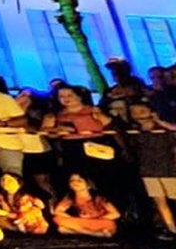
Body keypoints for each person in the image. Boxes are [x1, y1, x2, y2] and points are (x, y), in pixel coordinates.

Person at [127, 101, 176, 235]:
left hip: (169, 168)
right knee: (159, 200)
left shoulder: (164, 128)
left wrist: (158, 121)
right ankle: (171, 228)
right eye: (134, 113)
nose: (138, 115)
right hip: (148, 169)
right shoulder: (133, 131)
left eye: (142, 112)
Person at [52, 173, 121, 237]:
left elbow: (116, 214)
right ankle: (94, 234)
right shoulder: (69, 197)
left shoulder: (98, 197)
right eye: (72, 180)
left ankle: (75, 231)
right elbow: (58, 211)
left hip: (98, 222)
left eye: (79, 181)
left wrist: (95, 219)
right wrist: (74, 218)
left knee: (110, 224)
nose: (74, 182)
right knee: (57, 219)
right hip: (82, 222)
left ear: (88, 185)